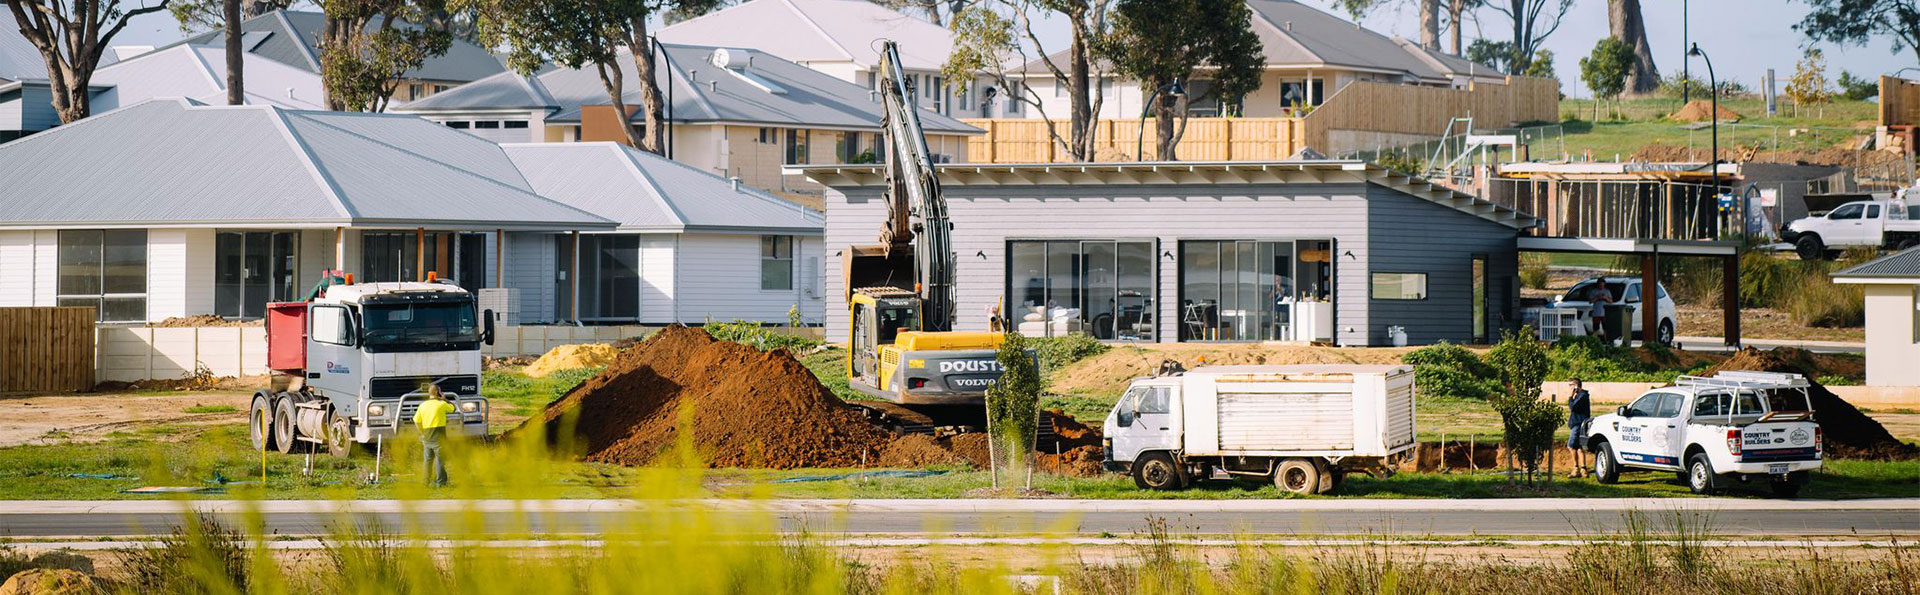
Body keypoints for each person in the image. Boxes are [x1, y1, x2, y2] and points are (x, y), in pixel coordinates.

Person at [413, 384, 455, 487]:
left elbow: (416, 421)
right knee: (439, 461)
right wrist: (445, 399)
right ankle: (440, 483)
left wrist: (422, 432)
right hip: (439, 436)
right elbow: (453, 408)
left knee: (427, 461)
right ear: (438, 393)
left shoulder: (422, 405)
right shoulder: (441, 404)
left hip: (427, 436)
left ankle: (425, 482)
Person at [1566, 378, 1592, 478]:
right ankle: (1583, 469)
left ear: (1576, 386)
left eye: (1571, 385)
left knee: (1571, 446)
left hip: (1578, 424)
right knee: (1579, 447)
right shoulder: (1580, 396)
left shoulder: (1582, 396)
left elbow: (1572, 407)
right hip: (1577, 424)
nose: (1570, 387)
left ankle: (1576, 468)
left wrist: (1571, 397)